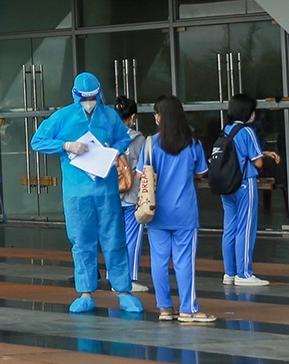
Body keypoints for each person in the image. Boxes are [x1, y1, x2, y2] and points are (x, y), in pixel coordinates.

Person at [30, 71, 140, 315]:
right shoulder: (63, 117)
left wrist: (114, 151)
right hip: (77, 192)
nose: (89, 102)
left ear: (99, 94)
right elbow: (37, 141)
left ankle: (123, 290)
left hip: (106, 190)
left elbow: (123, 139)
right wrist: (65, 145)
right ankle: (85, 292)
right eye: (84, 98)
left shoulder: (109, 115)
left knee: (114, 239)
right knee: (81, 241)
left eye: (92, 97)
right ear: (75, 96)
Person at [142, 96, 215, 323]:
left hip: (156, 212)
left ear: (159, 117)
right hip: (184, 212)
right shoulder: (193, 144)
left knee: (159, 261)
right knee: (184, 262)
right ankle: (188, 309)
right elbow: (200, 172)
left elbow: (141, 175)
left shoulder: (150, 144)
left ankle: (164, 308)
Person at [219, 93, 277, 287]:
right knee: (246, 228)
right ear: (248, 112)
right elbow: (257, 162)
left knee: (230, 229)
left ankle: (229, 273)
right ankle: (244, 274)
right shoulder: (247, 131)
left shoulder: (226, 130)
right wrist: (262, 155)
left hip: (227, 184)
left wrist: (261, 153)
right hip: (244, 183)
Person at [114, 97, 149, 291]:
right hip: (131, 194)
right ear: (133, 117)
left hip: (111, 194)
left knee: (114, 237)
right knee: (132, 238)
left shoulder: (106, 136)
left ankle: (114, 276)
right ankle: (128, 279)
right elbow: (144, 169)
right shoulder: (139, 140)